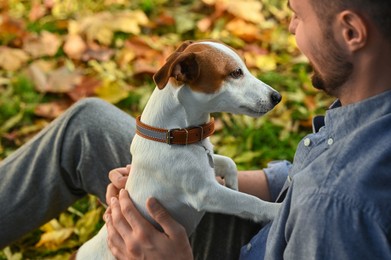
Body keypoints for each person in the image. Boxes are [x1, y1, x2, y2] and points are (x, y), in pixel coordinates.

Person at [104, 0, 391, 259]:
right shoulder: (367, 109)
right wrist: (182, 180)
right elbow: (298, 180)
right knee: (90, 119)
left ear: (351, 32)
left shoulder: (329, 209)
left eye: (298, 16)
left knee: (86, 128)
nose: (291, 27)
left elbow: (323, 205)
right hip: (250, 221)